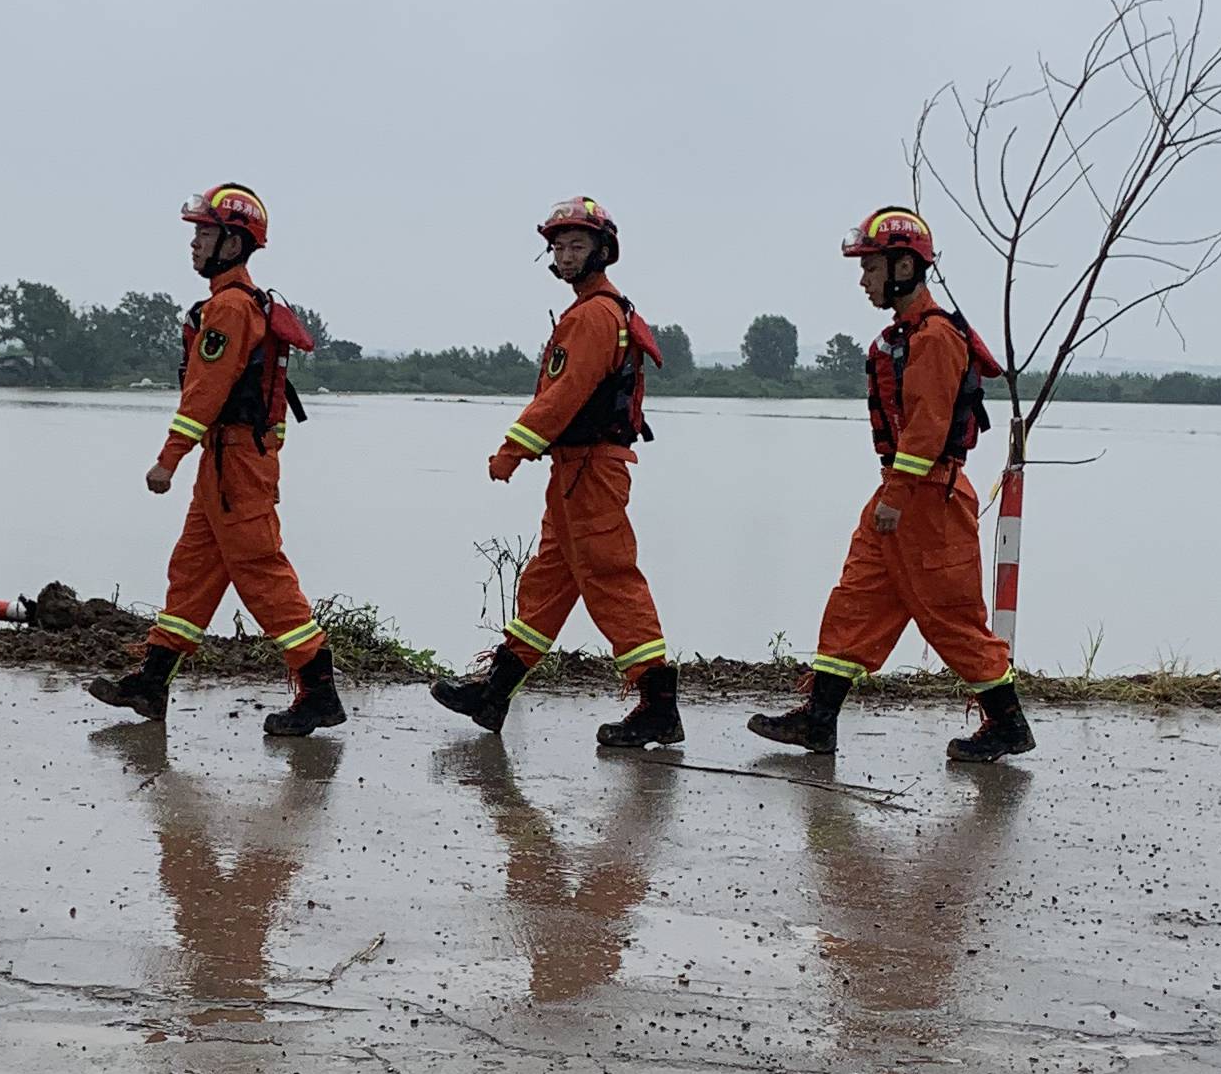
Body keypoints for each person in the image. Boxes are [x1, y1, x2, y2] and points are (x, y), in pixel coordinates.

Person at [749, 206, 1032, 765]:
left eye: (870, 268)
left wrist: (897, 497)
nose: (863, 280)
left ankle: (1008, 725)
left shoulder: (935, 338)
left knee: (952, 619)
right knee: (855, 601)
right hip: (899, 494)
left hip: (928, 500)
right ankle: (818, 720)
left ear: (903, 267)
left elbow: (927, 427)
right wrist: (893, 495)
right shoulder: (905, 337)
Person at [88, 184, 344, 738]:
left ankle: (319, 691)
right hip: (226, 463)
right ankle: (152, 682)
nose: (195, 243)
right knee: (192, 572)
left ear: (233, 242)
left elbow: (204, 394)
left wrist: (167, 460)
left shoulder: (229, 308)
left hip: (237, 465)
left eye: (205, 233)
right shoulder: (237, 302)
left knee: (262, 574)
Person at [430, 194, 680, 752]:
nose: (566, 256)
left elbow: (564, 395)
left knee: (611, 580)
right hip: (575, 470)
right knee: (547, 582)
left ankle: (658, 707)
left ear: (602, 250)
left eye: (576, 246)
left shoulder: (593, 315)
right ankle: (494, 693)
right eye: (559, 247)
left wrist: (512, 449)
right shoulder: (595, 310)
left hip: (592, 470)